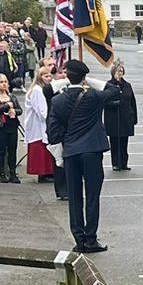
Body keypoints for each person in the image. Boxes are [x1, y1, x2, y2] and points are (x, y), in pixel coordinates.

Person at [46, 59, 109, 253]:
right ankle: (91, 239)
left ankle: (79, 239)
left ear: (67, 77)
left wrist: (62, 82)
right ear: (83, 78)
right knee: (92, 196)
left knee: (74, 197)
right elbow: (114, 90)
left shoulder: (57, 100)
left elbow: (53, 133)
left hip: (71, 152)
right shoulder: (93, 96)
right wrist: (89, 81)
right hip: (91, 151)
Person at [23, 61, 59, 195]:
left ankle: (47, 172)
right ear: (39, 77)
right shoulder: (37, 91)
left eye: (50, 76)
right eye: (46, 76)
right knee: (41, 148)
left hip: (41, 125)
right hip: (38, 126)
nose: (49, 79)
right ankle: (44, 173)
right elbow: (42, 112)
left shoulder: (43, 89)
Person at [0, 73, 21, 183]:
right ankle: (1, 174)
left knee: (12, 150)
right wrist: (5, 107)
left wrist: (14, 111)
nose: (4, 84)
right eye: (1, 82)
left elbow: (20, 110)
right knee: (1, 150)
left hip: (12, 125)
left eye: (5, 81)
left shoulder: (12, 96)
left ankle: (12, 173)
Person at [104, 62, 138, 172]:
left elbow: (132, 101)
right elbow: (105, 102)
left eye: (122, 71)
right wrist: (115, 103)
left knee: (124, 141)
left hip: (126, 117)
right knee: (115, 142)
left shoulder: (127, 85)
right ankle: (116, 163)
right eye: (118, 71)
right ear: (113, 72)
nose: (120, 73)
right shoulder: (109, 85)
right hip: (114, 117)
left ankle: (124, 163)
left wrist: (134, 117)